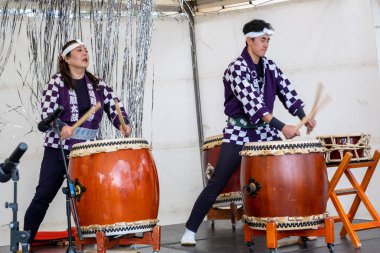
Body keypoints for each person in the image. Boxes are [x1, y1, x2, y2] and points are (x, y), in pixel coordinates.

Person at [181, 19, 316, 245]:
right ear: (249, 40)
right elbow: (255, 106)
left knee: (284, 175)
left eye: (268, 41)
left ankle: (298, 228)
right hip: (240, 132)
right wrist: (283, 127)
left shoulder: (270, 66)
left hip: (264, 131)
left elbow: (287, 92)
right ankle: (190, 230)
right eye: (262, 40)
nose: (266, 45)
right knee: (218, 180)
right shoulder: (236, 69)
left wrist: (304, 116)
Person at [24, 39, 132, 245]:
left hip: (88, 151)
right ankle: (24, 239)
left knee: (95, 195)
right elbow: (48, 113)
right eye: (79, 50)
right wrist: (60, 125)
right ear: (66, 58)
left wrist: (123, 124)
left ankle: (100, 237)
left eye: (86, 50)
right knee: (44, 194)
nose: (85, 53)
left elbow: (114, 106)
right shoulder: (56, 83)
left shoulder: (99, 84)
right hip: (59, 150)